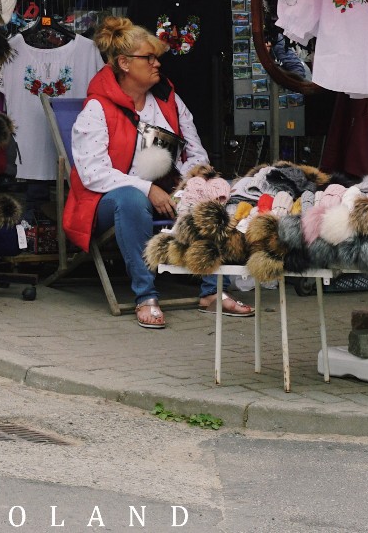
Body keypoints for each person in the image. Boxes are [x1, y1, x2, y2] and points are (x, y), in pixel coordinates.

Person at [63, 16, 241, 329]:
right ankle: (145, 295)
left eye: (157, 56)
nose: (157, 63)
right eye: (149, 57)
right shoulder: (97, 108)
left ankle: (213, 291)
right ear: (124, 63)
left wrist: (194, 179)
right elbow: (93, 173)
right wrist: (147, 189)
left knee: (211, 190)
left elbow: (193, 150)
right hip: (106, 199)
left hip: (165, 190)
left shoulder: (167, 98)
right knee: (132, 200)